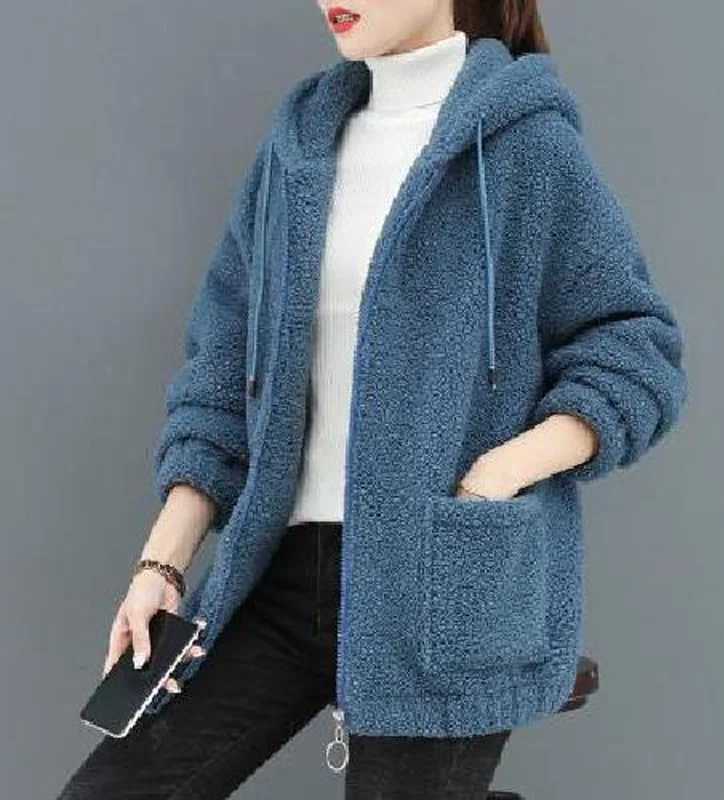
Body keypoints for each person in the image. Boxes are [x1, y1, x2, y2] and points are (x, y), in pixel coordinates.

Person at [57, 1, 689, 797]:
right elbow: (222, 369)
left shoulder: (526, 146)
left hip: (440, 580)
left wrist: (498, 474)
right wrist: (162, 562)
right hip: (281, 577)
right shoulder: (296, 151)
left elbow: (635, 348)